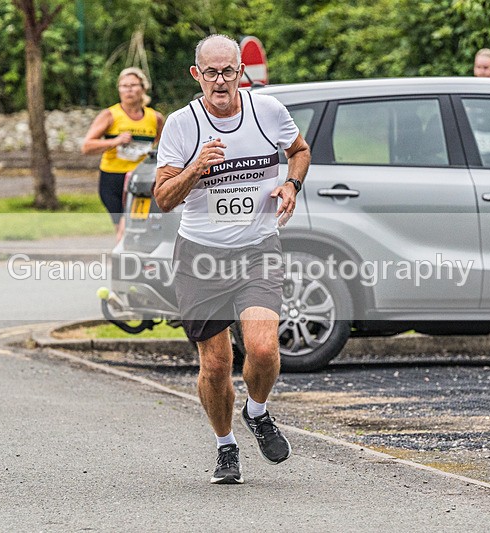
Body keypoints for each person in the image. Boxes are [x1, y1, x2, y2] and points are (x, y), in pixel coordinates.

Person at [154, 34, 310, 484]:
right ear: (196, 75)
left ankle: (257, 411)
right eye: (211, 72)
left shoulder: (269, 112)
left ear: (241, 71)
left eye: (228, 71)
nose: (220, 82)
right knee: (216, 364)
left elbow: (299, 151)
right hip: (201, 257)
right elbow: (163, 198)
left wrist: (291, 185)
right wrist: (195, 168)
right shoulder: (183, 125)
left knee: (263, 348)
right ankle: (226, 446)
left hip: (257, 249)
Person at [82, 67, 164, 241]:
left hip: (141, 180)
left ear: (143, 88)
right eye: (124, 86)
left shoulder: (155, 118)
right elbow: (87, 146)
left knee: (132, 224)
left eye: (133, 85)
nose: (128, 90)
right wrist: (115, 141)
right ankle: (124, 261)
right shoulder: (110, 115)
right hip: (113, 179)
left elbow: (160, 144)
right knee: (123, 224)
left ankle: (127, 260)